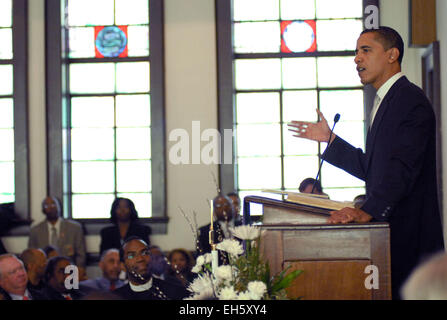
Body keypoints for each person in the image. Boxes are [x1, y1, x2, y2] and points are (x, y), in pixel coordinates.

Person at [288, 26, 444, 299]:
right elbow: (374, 169)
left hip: (408, 236)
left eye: (366, 50)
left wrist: (366, 210)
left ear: (392, 54)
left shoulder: (409, 100)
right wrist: (330, 140)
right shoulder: (386, 101)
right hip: (389, 234)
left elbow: (402, 169)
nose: (357, 58)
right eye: (356, 52)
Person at [113, 236, 189, 300]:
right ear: (122, 265)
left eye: (145, 253)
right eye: (131, 255)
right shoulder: (114, 297)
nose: (140, 259)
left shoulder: (176, 292)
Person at [28, 196, 87, 269]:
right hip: (44, 272)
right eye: (47, 205)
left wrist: (75, 274)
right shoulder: (35, 230)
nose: (51, 207)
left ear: (59, 207)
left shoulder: (75, 228)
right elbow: (32, 256)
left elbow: (81, 255)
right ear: (43, 210)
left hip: (68, 271)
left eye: (53, 204)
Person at [197, 194, 243, 263]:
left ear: (232, 207)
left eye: (227, 205)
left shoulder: (243, 226)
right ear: (214, 210)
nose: (224, 208)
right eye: (219, 206)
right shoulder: (205, 231)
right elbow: (203, 256)